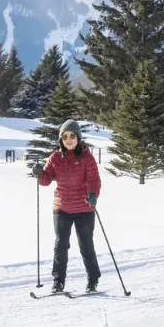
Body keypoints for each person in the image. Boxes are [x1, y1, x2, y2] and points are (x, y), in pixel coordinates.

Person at [32, 119, 102, 294]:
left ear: (78, 137)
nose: (68, 140)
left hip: (84, 208)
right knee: (60, 245)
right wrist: (39, 173)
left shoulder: (87, 157)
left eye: (72, 136)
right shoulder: (55, 157)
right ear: (60, 139)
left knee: (86, 246)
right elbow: (46, 180)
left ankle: (93, 280)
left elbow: (94, 179)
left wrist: (93, 194)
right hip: (62, 208)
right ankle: (58, 282)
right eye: (65, 137)